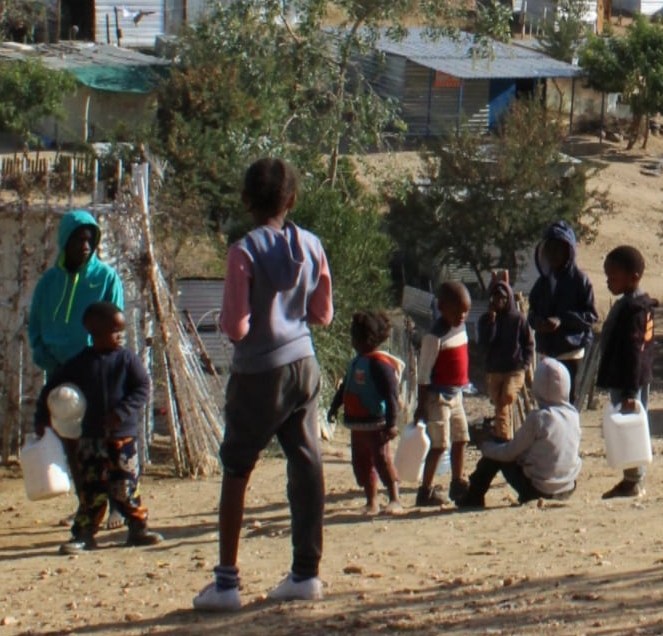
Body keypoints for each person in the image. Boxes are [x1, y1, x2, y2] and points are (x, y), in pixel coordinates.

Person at [193, 158, 333, 612]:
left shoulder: (243, 252)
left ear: (246, 199)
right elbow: (323, 314)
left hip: (258, 370)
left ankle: (227, 582)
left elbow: (235, 326)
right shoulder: (311, 244)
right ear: (291, 200)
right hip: (304, 363)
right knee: (306, 461)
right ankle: (305, 573)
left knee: (237, 468)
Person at [34, 301, 162, 554]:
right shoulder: (78, 364)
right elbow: (50, 391)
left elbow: (142, 389)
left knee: (126, 487)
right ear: (93, 331)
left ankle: (137, 528)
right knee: (91, 489)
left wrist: (122, 411)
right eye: (114, 331)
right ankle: (83, 534)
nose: (119, 336)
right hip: (90, 439)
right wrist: (42, 418)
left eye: (121, 331)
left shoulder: (127, 360)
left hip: (123, 438)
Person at [27, 210, 126, 529]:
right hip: (60, 373)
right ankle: (86, 504)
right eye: (78, 239)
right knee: (72, 443)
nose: (85, 245)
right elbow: (36, 326)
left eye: (90, 239)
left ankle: (115, 505)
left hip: (95, 372)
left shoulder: (106, 278)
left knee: (105, 442)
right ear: (64, 241)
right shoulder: (48, 283)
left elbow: (115, 323)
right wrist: (46, 359)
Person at [456, 358, 581, 509]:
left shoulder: (539, 418)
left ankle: (473, 496)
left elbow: (509, 453)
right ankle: (473, 495)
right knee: (503, 450)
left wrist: (486, 446)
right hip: (568, 487)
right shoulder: (573, 415)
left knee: (497, 451)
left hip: (538, 490)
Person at [593, 246, 657, 500]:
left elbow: (635, 350)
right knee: (630, 426)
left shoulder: (635, 311)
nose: (609, 280)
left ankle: (633, 480)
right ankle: (632, 477)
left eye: (614, 276)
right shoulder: (630, 305)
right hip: (629, 377)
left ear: (634, 276)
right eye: (607, 276)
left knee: (631, 427)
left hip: (629, 379)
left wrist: (631, 391)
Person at [325, 311, 404, 517]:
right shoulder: (356, 362)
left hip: (376, 424)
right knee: (362, 462)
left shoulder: (379, 364)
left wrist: (392, 423)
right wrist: (334, 408)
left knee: (381, 459)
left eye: (355, 337)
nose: (352, 341)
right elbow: (344, 389)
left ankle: (394, 498)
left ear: (366, 339)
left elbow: (391, 395)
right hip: (357, 425)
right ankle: (372, 501)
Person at [414, 281, 471, 509]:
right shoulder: (434, 337)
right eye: (457, 311)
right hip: (438, 398)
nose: (462, 316)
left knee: (461, 438)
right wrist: (421, 405)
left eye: (465, 312)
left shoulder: (461, 328)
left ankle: (457, 483)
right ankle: (425, 491)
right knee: (440, 444)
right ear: (441, 307)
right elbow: (424, 373)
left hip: (456, 395)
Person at [527, 222, 597, 403]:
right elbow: (531, 313)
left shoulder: (580, 281)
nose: (554, 254)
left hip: (570, 352)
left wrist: (562, 320)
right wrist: (539, 322)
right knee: (545, 400)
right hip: (546, 352)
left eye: (559, 249)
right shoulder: (542, 282)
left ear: (569, 251)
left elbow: (591, 316)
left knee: (568, 400)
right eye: (550, 249)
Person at [477, 275, 532, 442]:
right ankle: (505, 438)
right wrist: (492, 322)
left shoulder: (518, 319)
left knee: (506, 397)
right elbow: (485, 343)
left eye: (503, 298)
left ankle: (505, 437)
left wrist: (525, 364)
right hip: (495, 369)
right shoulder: (485, 320)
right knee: (499, 405)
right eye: (496, 298)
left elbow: (528, 343)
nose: (499, 301)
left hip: (514, 368)